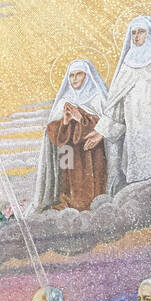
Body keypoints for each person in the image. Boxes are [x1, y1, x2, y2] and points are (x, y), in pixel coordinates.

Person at [85, 17, 151, 185]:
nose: (136, 37)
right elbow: (117, 104)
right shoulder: (128, 63)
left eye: (141, 32)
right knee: (140, 177)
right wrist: (102, 130)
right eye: (133, 33)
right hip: (136, 126)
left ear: (150, 34)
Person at [31, 60, 116, 213]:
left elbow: (107, 125)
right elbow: (53, 134)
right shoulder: (63, 101)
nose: (74, 79)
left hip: (92, 152)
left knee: (94, 187)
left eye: (79, 75)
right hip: (68, 153)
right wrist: (64, 122)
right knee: (67, 185)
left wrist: (81, 118)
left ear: (87, 76)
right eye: (71, 76)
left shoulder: (98, 98)